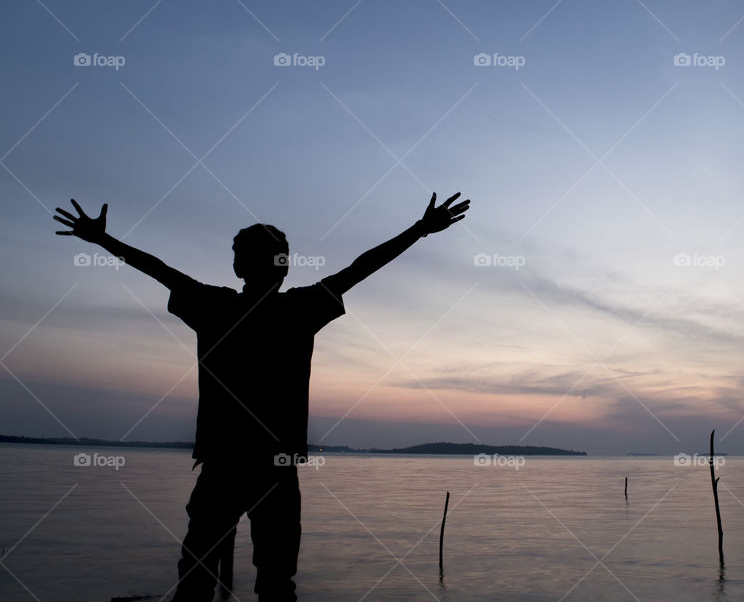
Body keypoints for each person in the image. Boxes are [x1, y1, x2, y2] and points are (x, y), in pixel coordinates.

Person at [53, 192, 470, 601]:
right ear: (284, 267)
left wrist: (103, 240)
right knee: (274, 582)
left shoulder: (215, 305)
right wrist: (419, 230)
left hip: (226, 463)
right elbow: (360, 269)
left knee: (199, 577)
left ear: (238, 266)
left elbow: (158, 269)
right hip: (274, 467)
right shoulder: (298, 309)